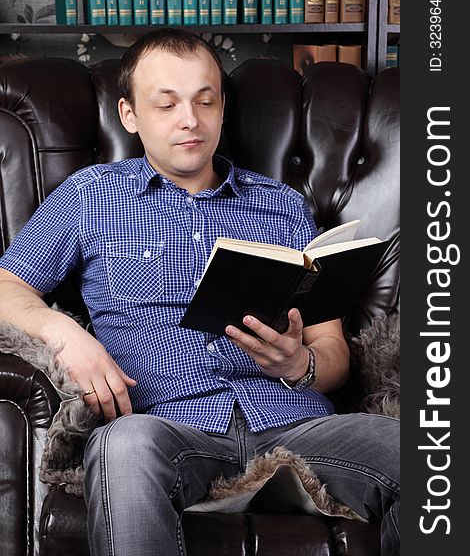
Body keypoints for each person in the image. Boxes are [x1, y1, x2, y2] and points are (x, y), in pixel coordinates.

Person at [0, 28, 399, 555]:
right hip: (168, 429)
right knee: (124, 444)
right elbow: (6, 286)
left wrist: (298, 363)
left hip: (295, 425)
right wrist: (63, 331)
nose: (190, 120)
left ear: (222, 108)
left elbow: (335, 356)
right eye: (166, 105)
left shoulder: (280, 204)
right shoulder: (89, 196)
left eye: (204, 101)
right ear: (130, 116)